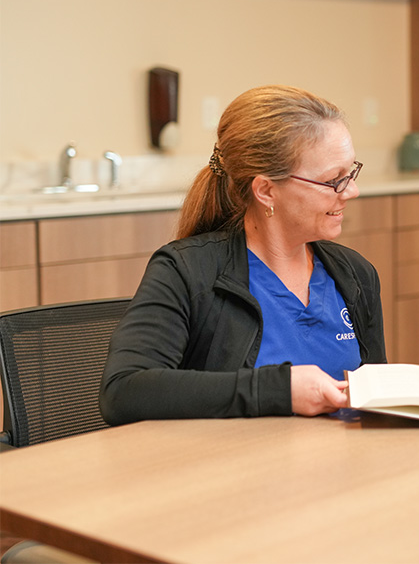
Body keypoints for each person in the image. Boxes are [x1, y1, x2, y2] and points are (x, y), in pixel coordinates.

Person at [100, 85, 385, 425]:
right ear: (266, 190)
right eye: (333, 180)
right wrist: (280, 390)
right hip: (236, 472)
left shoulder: (354, 275)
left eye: (351, 173)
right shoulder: (188, 271)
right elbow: (124, 392)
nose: (351, 191)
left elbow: (377, 398)